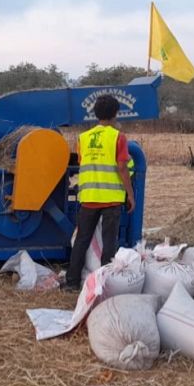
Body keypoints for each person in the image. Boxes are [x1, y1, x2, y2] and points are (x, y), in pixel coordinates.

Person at [65, 95, 135, 290]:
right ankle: (104, 285)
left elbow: (83, 163)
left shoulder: (83, 138)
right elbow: (122, 167)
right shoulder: (118, 137)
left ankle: (72, 283)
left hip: (88, 197)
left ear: (95, 114)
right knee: (109, 243)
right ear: (115, 114)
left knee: (82, 240)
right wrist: (130, 194)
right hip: (111, 198)